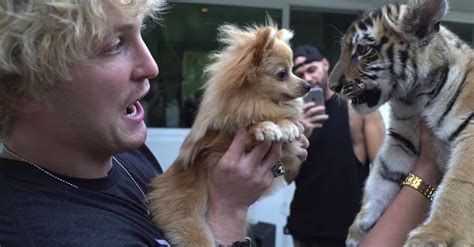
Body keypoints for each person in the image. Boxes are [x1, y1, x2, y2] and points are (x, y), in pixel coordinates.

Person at [0, 1, 310, 246]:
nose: (151, 66)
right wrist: (229, 210)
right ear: (21, 88)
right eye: (113, 45)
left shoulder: (119, 154)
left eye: (141, 34)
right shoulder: (50, 234)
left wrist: (275, 164)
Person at [285, 44, 386, 247]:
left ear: (325, 64)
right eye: (301, 74)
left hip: (348, 234)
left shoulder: (358, 108)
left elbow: (385, 169)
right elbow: (284, 177)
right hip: (304, 231)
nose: (309, 78)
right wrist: (299, 136)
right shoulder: (293, 118)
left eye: (311, 70)